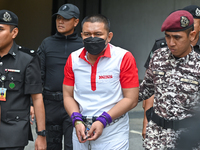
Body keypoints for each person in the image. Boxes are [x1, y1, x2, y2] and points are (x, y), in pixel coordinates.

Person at [62, 14, 139, 149]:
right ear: (81, 35)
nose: (92, 38)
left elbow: (131, 99)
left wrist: (103, 120)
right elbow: (68, 95)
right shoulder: (73, 58)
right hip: (81, 130)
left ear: (109, 37)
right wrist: (77, 120)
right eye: (87, 34)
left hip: (113, 131)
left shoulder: (123, 57)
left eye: (98, 34)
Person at [139, 10, 200, 149]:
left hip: (187, 140)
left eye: (177, 37)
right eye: (167, 37)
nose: (171, 43)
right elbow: (145, 90)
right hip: (156, 138)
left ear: (192, 35)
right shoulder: (158, 56)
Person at [37, 4, 83, 150]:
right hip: (50, 104)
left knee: (72, 146)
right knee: (51, 146)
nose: (60, 22)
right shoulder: (47, 43)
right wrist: (33, 103)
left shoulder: (83, 45)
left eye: (65, 19)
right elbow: (38, 74)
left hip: (75, 104)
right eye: (58, 18)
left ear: (76, 22)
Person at [0, 10, 46, 150]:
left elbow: (37, 98)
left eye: (1, 30)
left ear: (14, 33)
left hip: (13, 133)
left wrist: (41, 134)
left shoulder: (27, 59)